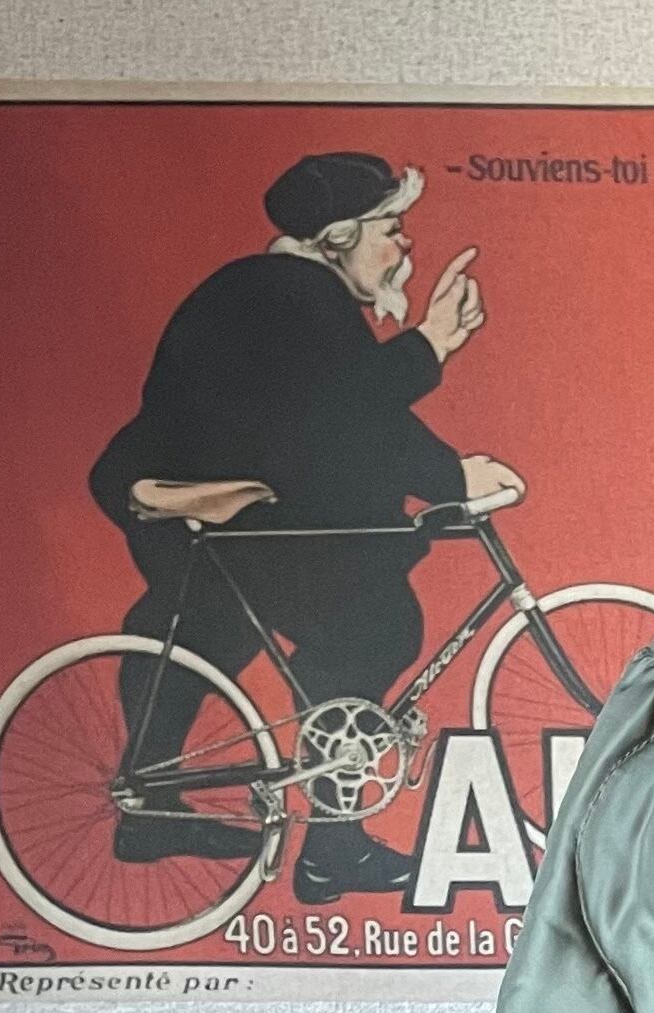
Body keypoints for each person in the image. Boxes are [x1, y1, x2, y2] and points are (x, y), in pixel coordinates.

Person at [86, 153, 514, 905]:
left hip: (196, 502)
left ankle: (149, 814)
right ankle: (332, 851)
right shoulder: (293, 291)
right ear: (339, 236)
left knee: (202, 632)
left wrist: (444, 469)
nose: (405, 244)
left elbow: (338, 414)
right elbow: (347, 415)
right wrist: (446, 443)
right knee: (373, 629)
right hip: (211, 505)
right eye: (391, 227)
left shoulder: (277, 289)